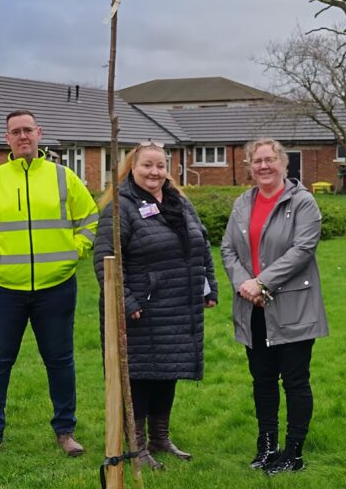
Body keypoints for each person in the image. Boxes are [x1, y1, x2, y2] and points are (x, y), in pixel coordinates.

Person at [0, 110, 99, 459]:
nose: (22, 136)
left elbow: (90, 218)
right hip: (1, 288)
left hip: (56, 285)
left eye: (28, 130)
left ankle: (65, 432)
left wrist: (74, 252)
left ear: (39, 133)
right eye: (15, 132)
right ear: (6, 139)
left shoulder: (64, 178)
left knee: (60, 360)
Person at [93, 142, 218, 470]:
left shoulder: (179, 200)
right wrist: (128, 300)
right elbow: (104, 258)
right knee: (141, 377)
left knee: (168, 373)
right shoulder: (121, 206)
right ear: (132, 168)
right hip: (142, 310)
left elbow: (201, 243)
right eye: (147, 166)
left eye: (160, 166)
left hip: (178, 305)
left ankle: (161, 438)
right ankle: (137, 446)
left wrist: (208, 287)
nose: (154, 172)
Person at [220, 137, 328, 476]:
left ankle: (293, 452)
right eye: (257, 161)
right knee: (262, 379)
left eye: (270, 159)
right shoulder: (243, 202)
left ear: (284, 164)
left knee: (295, 380)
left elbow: (302, 249)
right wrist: (244, 283)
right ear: (250, 167)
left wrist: (261, 281)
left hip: (293, 306)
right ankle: (266, 446)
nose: (264, 166)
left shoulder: (303, 202)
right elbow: (227, 249)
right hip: (252, 306)